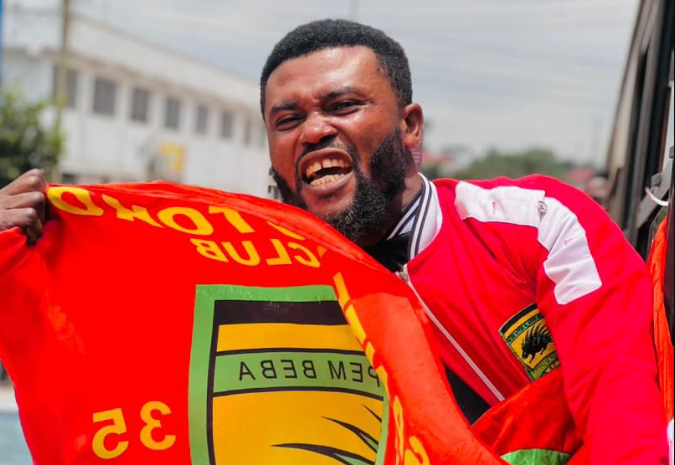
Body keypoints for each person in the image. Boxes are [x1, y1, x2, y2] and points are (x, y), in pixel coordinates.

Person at [0, 19, 669, 465]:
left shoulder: (536, 223)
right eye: (286, 119)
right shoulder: (246, 284)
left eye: (342, 106)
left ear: (409, 126)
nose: (313, 130)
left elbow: (622, 401)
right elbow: (99, 342)